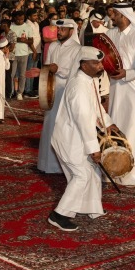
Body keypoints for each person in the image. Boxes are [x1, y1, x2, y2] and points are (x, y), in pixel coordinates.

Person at [47, 46, 114, 232]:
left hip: (77, 137)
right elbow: (84, 120)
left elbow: (94, 108)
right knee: (82, 175)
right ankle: (59, 215)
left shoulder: (88, 80)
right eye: (95, 63)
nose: (100, 66)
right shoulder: (78, 86)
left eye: (100, 62)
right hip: (69, 139)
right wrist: (94, 149)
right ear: (83, 65)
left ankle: (91, 208)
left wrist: (107, 123)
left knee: (92, 172)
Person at [106, 4, 135, 187]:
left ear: (125, 16)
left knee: (134, 130)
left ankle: (131, 175)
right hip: (117, 89)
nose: (112, 17)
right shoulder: (110, 35)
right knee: (115, 130)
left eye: (115, 14)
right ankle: (113, 170)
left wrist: (126, 73)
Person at [37, 19, 83, 174]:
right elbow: (49, 66)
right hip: (52, 89)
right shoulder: (53, 46)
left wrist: (58, 69)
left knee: (62, 126)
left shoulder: (77, 49)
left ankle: (61, 166)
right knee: (49, 124)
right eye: (58, 28)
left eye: (63, 29)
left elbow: (76, 72)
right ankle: (46, 164)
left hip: (66, 90)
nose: (59, 31)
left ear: (71, 31)